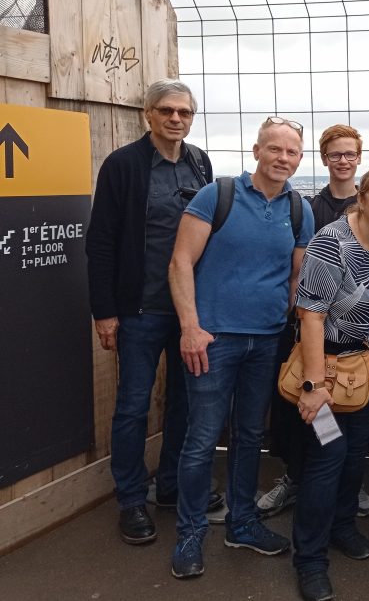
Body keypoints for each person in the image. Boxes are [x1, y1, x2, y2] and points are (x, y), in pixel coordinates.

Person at [167, 116, 314, 580]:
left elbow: (297, 275)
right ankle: (190, 533)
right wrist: (191, 326)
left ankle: (243, 522)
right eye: (274, 149)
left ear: (299, 159)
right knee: (203, 437)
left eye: (291, 152)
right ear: (256, 150)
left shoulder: (299, 209)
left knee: (251, 435)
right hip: (212, 338)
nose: (282, 158)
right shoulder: (219, 194)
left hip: (266, 339)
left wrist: (284, 318)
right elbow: (180, 262)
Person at [85, 79, 221, 545]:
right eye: (166, 111)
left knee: (185, 404)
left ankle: (169, 487)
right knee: (132, 407)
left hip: (189, 314)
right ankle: (129, 500)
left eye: (184, 112)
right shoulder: (123, 166)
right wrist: (104, 311)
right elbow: (100, 241)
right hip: (139, 310)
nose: (176, 119)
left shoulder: (200, 162)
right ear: (148, 114)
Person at [290, 167, 369, 601]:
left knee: (354, 453)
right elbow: (311, 315)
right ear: (361, 194)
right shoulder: (330, 242)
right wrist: (313, 385)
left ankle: (342, 527)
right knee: (328, 456)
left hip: (365, 371)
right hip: (327, 368)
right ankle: (310, 558)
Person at [259, 124, 369, 519]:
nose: (343, 161)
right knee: (302, 411)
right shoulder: (308, 209)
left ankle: (346, 486)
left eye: (350, 154)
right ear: (323, 159)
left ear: (359, 158)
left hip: (356, 342)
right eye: (335, 154)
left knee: (351, 413)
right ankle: (297, 480)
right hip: (311, 335)